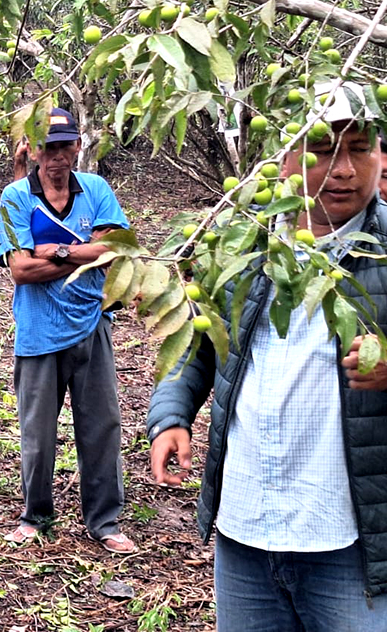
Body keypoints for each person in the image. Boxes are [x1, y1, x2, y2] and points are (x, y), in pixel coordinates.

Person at [148, 83, 387, 632]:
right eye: (323, 148)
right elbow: (201, 340)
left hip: (349, 543)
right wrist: (171, 415)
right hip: (246, 527)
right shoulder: (242, 243)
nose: (344, 169)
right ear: (284, 161)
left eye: (360, 148)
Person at [0, 107, 134, 554]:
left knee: (102, 426)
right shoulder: (16, 197)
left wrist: (53, 252)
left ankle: (105, 520)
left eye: (64, 147)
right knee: (37, 432)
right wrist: (83, 250)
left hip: (92, 322)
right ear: (34, 151)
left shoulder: (95, 189)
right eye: (48, 148)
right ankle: (35, 515)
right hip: (38, 329)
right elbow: (19, 269)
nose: (57, 158)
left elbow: (117, 250)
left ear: (78, 147)